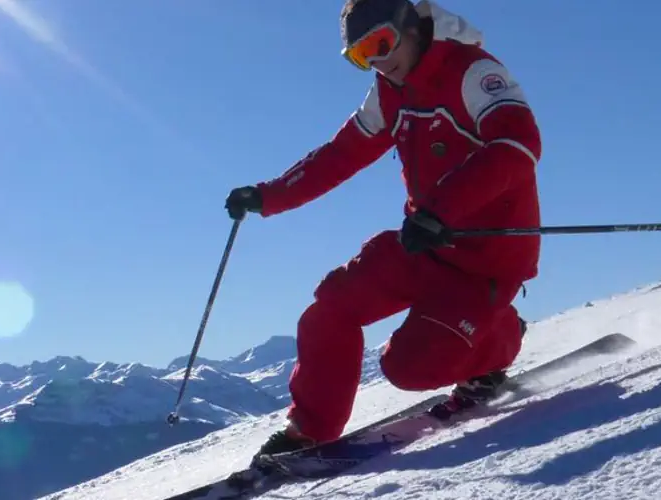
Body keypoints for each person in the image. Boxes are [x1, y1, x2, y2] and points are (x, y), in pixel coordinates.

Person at [223, 0, 543, 457]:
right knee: (331, 306)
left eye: (380, 44)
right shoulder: (390, 89)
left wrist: (444, 211)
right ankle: (310, 431)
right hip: (424, 244)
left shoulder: (472, 72)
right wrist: (268, 195)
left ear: (410, 26)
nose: (376, 61)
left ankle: (496, 338)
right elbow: (342, 153)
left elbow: (517, 142)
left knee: (408, 368)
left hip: (483, 257)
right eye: (360, 56)